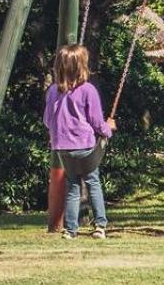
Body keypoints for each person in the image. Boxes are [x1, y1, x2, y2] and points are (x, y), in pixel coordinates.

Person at [43, 43, 115, 240]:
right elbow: (96, 122)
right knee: (93, 182)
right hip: (84, 145)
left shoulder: (52, 92)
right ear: (82, 66)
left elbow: (47, 121)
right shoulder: (87, 90)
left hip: (62, 147)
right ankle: (100, 225)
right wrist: (109, 129)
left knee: (73, 186)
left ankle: (70, 230)